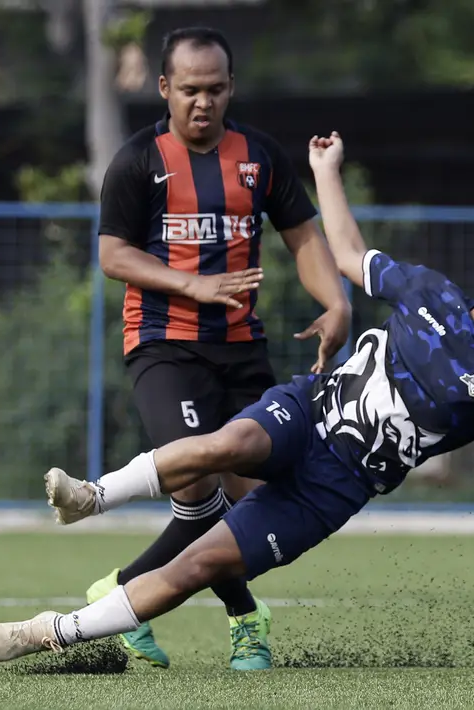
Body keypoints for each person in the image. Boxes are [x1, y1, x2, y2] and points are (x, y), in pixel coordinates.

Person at [0, 131, 474, 665]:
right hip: (310, 410)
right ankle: (92, 496)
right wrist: (326, 169)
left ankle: (51, 632)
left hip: (331, 490)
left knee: (201, 562)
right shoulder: (427, 292)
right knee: (228, 444)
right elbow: (345, 252)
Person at [91, 27, 351, 671]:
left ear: (230, 87)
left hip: (242, 351)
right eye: (188, 91)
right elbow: (111, 254)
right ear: (164, 89)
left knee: (250, 496)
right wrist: (192, 284)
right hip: (162, 347)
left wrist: (337, 303)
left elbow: (304, 238)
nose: (202, 102)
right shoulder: (137, 161)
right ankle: (243, 617)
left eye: (213, 89)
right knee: (195, 479)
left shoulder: (258, 158)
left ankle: (121, 590)